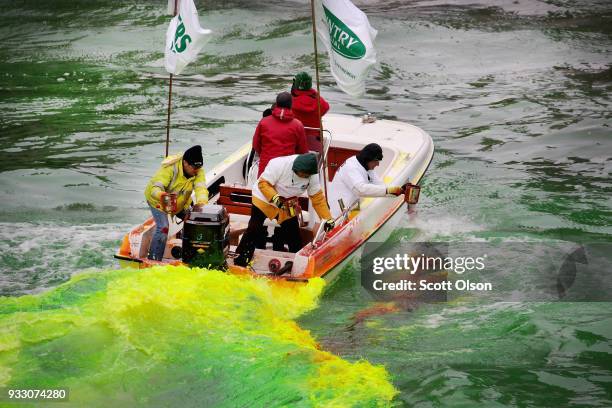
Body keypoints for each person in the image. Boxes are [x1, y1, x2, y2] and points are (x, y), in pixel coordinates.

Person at [234, 153, 335, 267]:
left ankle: (298, 262)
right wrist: (275, 198)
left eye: (305, 175)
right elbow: (263, 183)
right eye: (299, 173)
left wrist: (328, 218)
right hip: (264, 198)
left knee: (293, 232)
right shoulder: (278, 164)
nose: (301, 176)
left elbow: (317, 198)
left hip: (287, 203)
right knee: (254, 228)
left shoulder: (313, 176)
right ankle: (241, 258)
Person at [144, 145, 209, 260]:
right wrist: (163, 195)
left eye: (199, 167)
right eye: (194, 167)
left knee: (195, 223)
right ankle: (153, 259)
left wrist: (202, 202)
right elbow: (155, 189)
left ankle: (192, 256)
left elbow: (201, 188)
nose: (196, 171)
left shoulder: (198, 171)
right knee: (163, 227)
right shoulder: (169, 168)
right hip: (159, 200)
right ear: (185, 163)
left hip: (179, 203)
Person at [327, 143, 405, 218]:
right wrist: (389, 191)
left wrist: (401, 191)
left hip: (352, 207)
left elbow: (380, 185)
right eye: (376, 161)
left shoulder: (365, 166)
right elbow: (361, 190)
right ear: (368, 159)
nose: (378, 164)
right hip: (338, 213)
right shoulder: (351, 167)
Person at [253, 92, 308, 177]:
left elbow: (256, 145)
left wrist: (265, 155)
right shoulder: (298, 125)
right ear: (291, 105)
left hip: (265, 169)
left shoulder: (263, 122)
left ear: (277, 104)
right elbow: (302, 151)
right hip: (287, 172)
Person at [291, 72, 330, 155]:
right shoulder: (319, 101)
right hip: (315, 143)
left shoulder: (290, 101)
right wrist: (314, 94)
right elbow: (326, 107)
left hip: (294, 142)